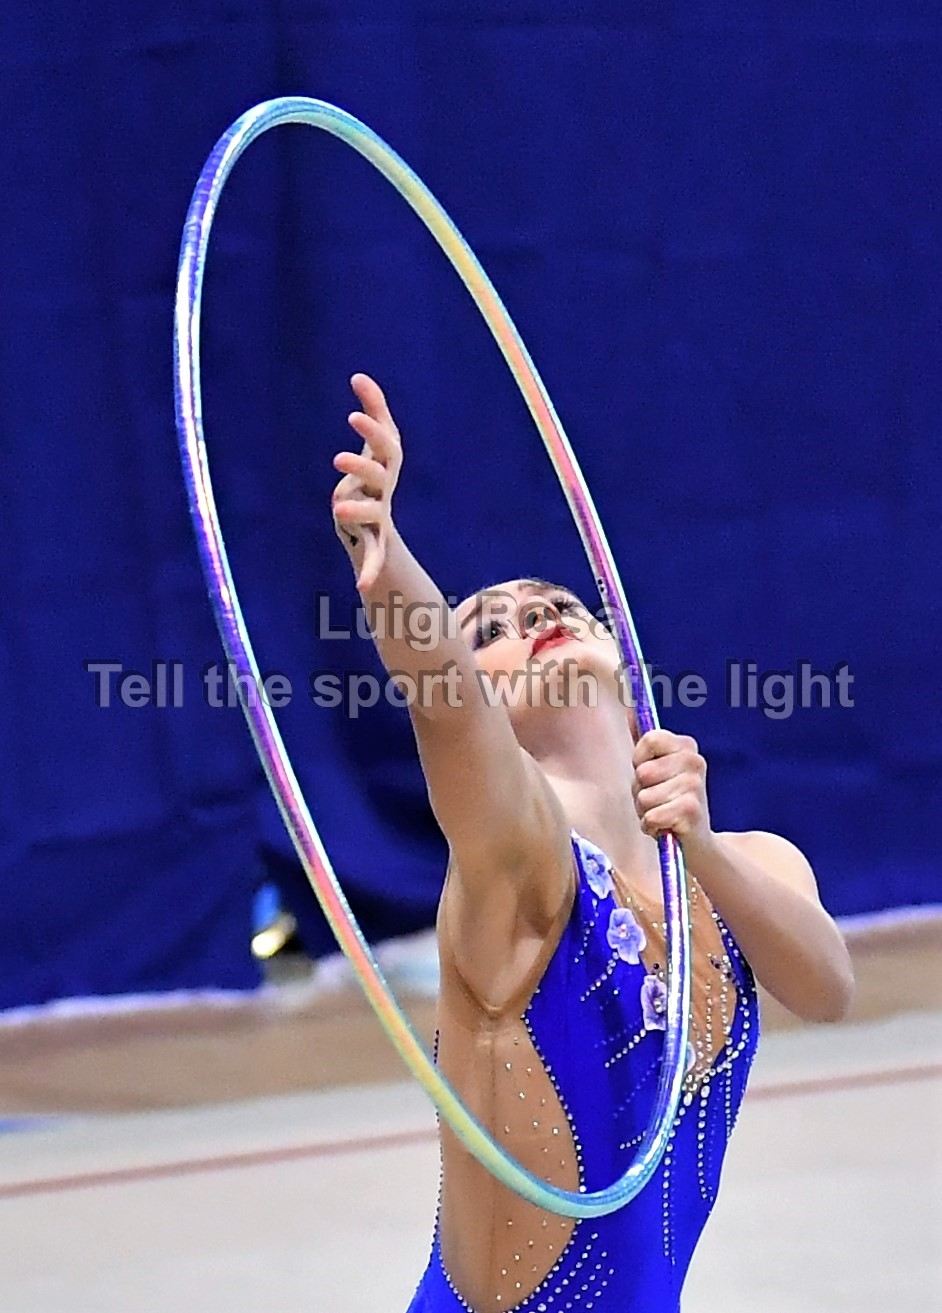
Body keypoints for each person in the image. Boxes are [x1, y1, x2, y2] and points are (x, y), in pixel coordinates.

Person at [330, 373, 855, 1313]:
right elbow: (441, 699)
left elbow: (829, 987)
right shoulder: (520, 866)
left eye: (552, 605)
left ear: (619, 647)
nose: (530, 619)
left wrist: (700, 844)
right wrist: (390, 567)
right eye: (488, 628)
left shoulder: (749, 864)